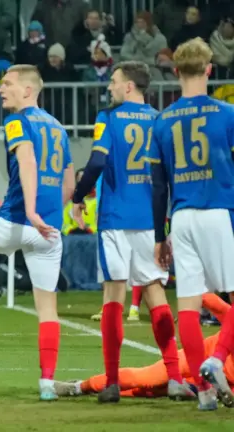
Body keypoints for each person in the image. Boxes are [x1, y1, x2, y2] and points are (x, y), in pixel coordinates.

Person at [70, 61, 193, 403]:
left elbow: (96, 162)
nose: (109, 87)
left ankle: (111, 382)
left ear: (128, 87)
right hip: (150, 218)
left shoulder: (108, 118)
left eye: (113, 81)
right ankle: (173, 378)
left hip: (115, 216)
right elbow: (167, 173)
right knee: (154, 292)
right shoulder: (159, 120)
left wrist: (78, 196)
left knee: (113, 294)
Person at [0, 64, 75, 401]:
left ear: (28, 90)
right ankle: (47, 384)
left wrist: (32, 211)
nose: (0, 89)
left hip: (16, 221)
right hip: (49, 232)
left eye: (7, 84)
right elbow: (70, 183)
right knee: (47, 309)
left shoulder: (17, 121)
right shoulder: (58, 127)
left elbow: (27, 161)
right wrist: (49, 215)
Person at [148, 37, 234, 411]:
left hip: (180, 217)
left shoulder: (163, 120)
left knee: (188, 305)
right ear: (210, 70)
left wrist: (158, 236)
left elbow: (157, 185)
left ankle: (204, 391)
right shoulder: (227, 114)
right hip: (219, 210)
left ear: (177, 71)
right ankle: (216, 361)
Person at [54, 293, 232, 399]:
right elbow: (213, 302)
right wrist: (191, 306)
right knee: (147, 378)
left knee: (149, 391)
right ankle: (80, 387)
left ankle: (93, 389)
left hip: (215, 381)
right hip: (198, 357)